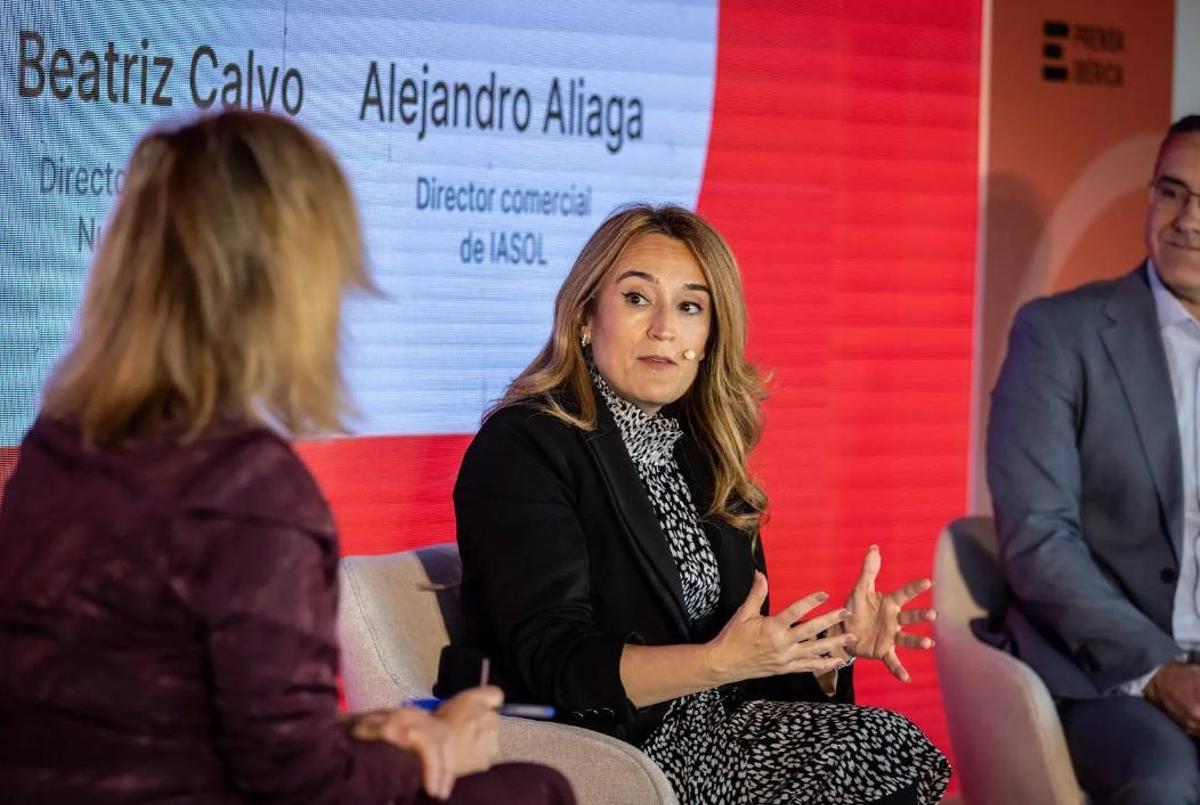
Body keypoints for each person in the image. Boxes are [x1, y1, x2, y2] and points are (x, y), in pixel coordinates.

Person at [0, 111, 573, 805]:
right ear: (289, 282)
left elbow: (159, 705)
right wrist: (439, 745)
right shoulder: (249, 488)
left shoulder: (57, 445)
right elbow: (300, 786)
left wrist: (368, 734)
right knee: (535, 789)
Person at [437, 203, 950, 804]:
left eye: (689, 307)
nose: (664, 328)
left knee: (889, 746)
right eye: (636, 299)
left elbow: (741, 656)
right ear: (583, 317)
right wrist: (716, 664)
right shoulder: (526, 444)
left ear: (708, 337)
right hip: (609, 745)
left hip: (718, 728)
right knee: (873, 756)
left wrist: (826, 651)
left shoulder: (701, 454)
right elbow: (550, 660)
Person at [988, 114, 1200, 805]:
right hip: (1103, 674)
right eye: (1172, 192)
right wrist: (1161, 668)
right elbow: (1038, 540)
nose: (1186, 220)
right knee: (1165, 783)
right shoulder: (1060, 336)